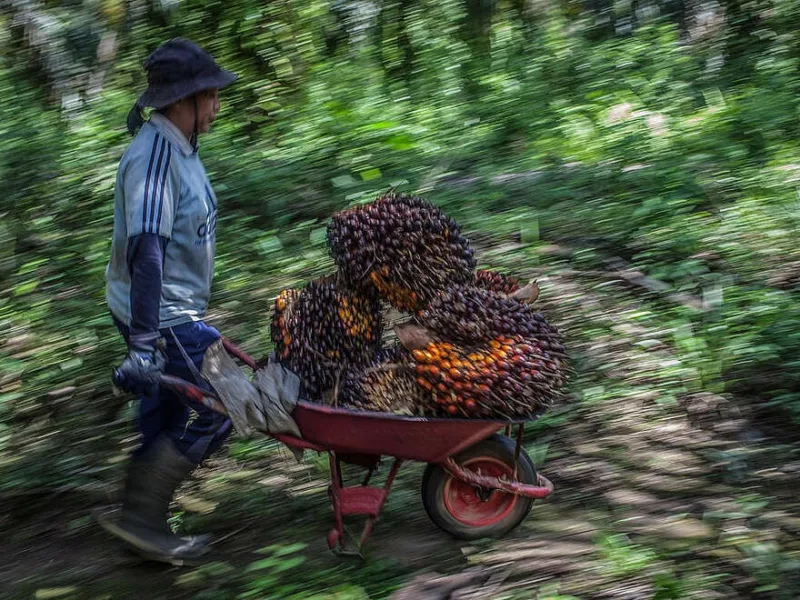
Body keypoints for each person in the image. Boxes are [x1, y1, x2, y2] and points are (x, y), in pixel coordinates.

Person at [99, 38, 237, 565]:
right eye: (211, 95)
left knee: (165, 406)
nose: (217, 105)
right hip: (160, 314)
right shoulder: (154, 155)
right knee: (220, 407)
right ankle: (143, 518)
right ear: (185, 99)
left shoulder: (180, 147)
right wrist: (144, 342)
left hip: (170, 311)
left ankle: (140, 527)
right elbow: (147, 249)